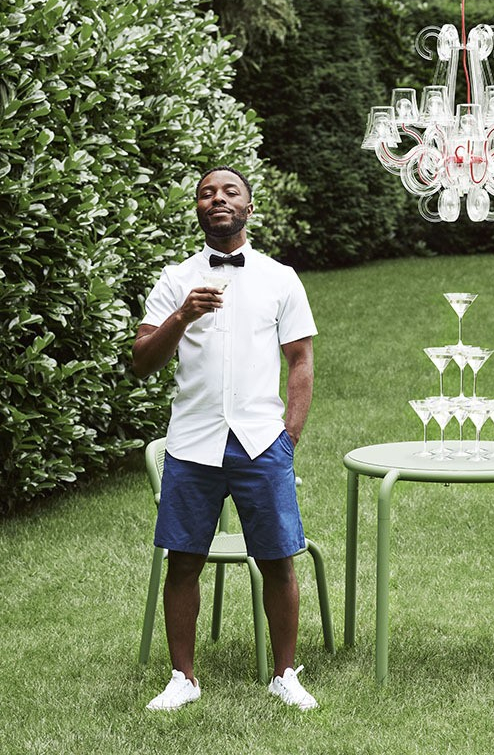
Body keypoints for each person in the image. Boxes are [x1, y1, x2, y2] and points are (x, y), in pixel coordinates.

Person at [132, 165, 319, 711]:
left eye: (230, 191)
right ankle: (183, 679)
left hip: (261, 441)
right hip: (193, 443)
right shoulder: (175, 279)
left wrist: (288, 437)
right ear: (197, 209)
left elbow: (301, 359)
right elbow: (142, 361)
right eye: (206, 193)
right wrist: (182, 315)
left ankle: (284, 675)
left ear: (248, 208)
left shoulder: (280, 278)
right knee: (184, 561)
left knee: (278, 560)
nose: (218, 198)